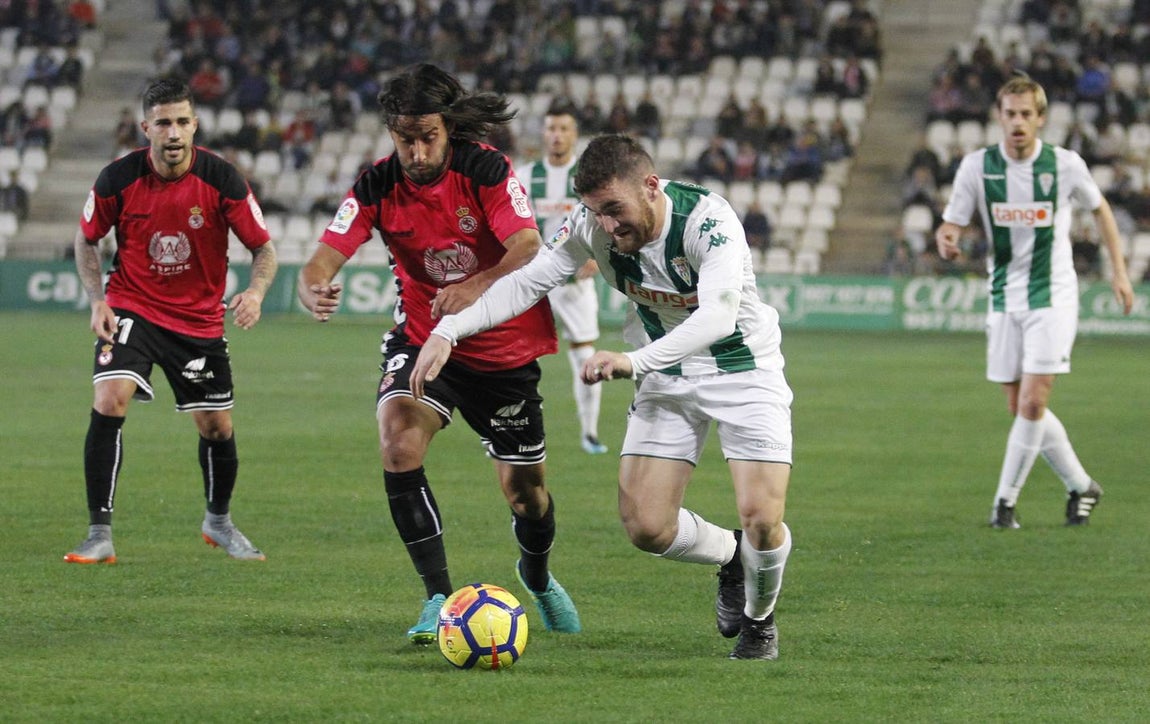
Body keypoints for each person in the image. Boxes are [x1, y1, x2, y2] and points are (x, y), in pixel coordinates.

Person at [411, 134, 795, 661]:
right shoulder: (589, 225)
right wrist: (450, 329)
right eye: (596, 212)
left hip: (741, 368)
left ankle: (759, 622)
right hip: (667, 373)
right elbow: (529, 282)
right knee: (647, 527)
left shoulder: (709, 222)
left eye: (615, 209)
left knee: (762, 517)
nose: (608, 226)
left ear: (651, 187)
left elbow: (717, 317)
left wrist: (631, 361)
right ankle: (732, 556)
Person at [297, 63, 581, 644]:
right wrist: (313, 286)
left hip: (504, 348)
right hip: (426, 341)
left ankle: (538, 573)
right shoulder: (377, 185)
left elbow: (528, 245)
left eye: (428, 136)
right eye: (406, 139)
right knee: (398, 440)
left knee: (525, 492)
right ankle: (436, 598)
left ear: (448, 128)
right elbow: (324, 255)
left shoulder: (485, 168)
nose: (418, 151)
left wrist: (475, 286)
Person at [65, 78, 278, 564]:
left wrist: (256, 291)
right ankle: (99, 533)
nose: (174, 132)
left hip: (199, 321)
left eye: (183, 121)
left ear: (195, 125)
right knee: (109, 397)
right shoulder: (117, 179)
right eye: (164, 123)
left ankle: (218, 521)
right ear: (147, 129)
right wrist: (97, 299)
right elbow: (86, 239)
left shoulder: (223, 179)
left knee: (217, 428)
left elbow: (263, 248)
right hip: (133, 306)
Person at [936, 75, 1134, 529]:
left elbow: (1100, 209)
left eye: (1027, 114)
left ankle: (1004, 504)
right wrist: (948, 238)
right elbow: (953, 223)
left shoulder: (1064, 165)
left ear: (1041, 119)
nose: (1018, 122)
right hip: (1004, 295)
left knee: (1032, 402)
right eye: (1011, 114)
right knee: (1021, 408)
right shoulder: (976, 167)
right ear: (999, 117)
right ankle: (1082, 486)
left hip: (1053, 296)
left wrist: (1118, 271)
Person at [516, 99, 607, 455]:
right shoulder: (525, 176)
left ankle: (589, 433)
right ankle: (508, 428)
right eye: (552, 128)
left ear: (574, 134)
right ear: (544, 132)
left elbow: (605, 221)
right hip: (532, 281)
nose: (557, 135)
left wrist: (598, 258)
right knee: (513, 356)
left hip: (574, 284)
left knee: (585, 356)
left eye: (564, 129)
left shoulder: (587, 178)